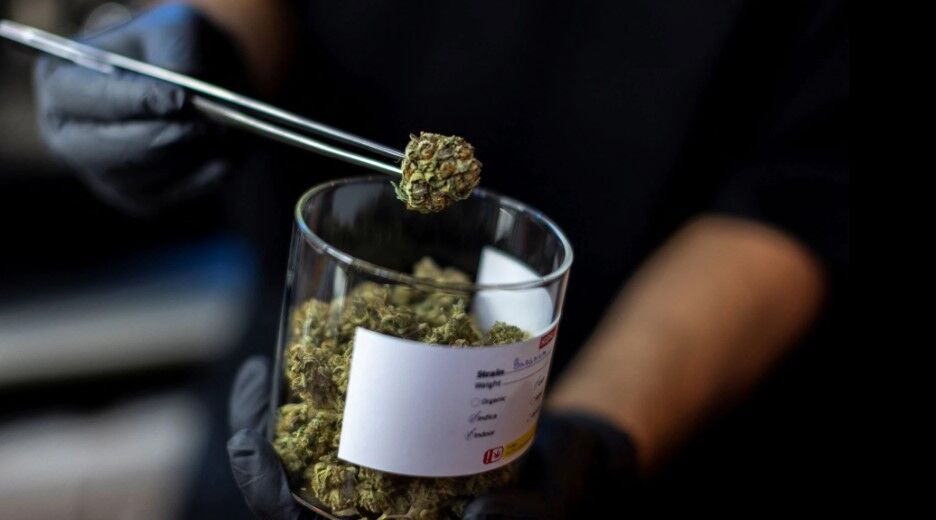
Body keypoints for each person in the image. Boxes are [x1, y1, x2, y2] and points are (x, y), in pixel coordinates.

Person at [32, 0, 848, 517]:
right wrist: (204, 41)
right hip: (312, 369)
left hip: (641, 393)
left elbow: (805, 182)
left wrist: (592, 436)